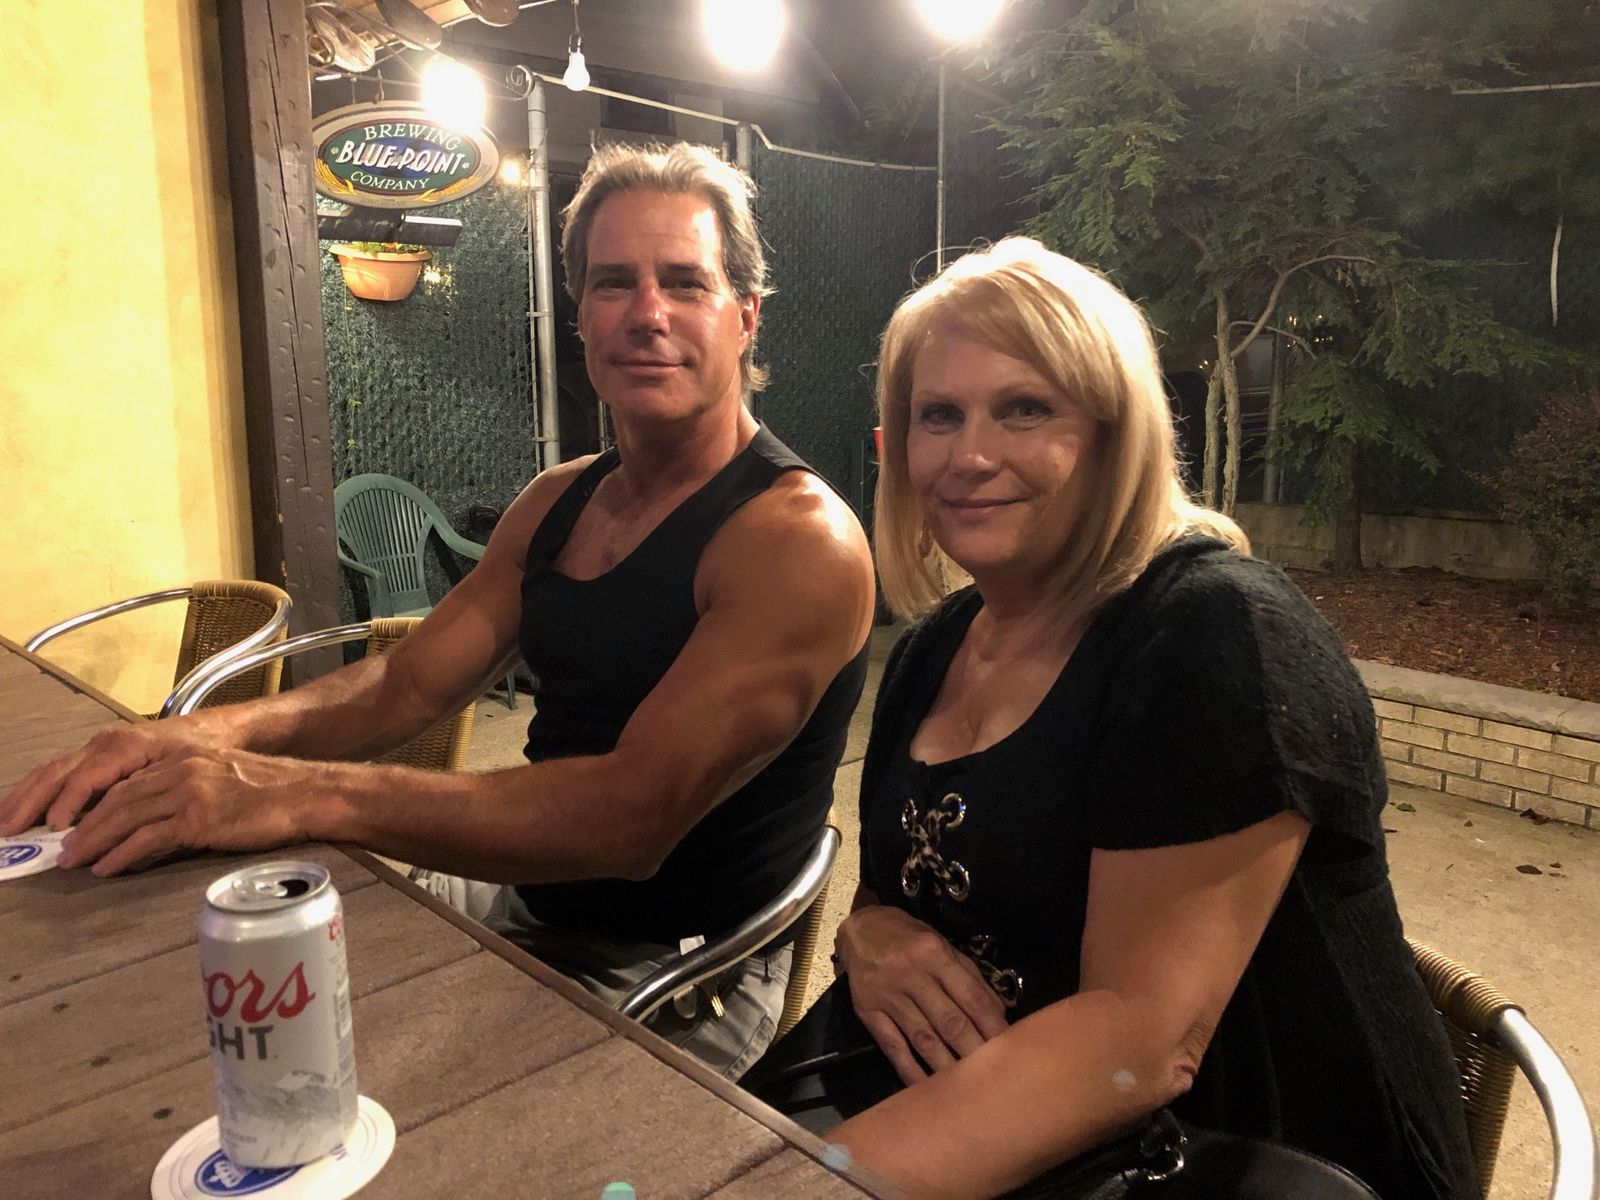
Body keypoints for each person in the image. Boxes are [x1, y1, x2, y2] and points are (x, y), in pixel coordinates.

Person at [0, 142, 876, 1080]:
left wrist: (295, 791)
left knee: (356, 1102)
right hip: (524, 900)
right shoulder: (559, 501)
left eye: (686, 282)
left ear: (745, 316)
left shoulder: (795, 541)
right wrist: (183, 740)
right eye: (614, 282)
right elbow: (406, 687)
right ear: (580, 315)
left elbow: (627, 819)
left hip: (679, 969)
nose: (647, 313)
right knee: (196, 1000)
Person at [745, 238, 1477, 1198]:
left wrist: (782, 1188)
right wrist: (868, 937)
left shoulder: (1213, 632)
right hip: (993, 1117)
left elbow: (1140, 1043)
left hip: (1247, 1154)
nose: (970, 456)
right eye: (938, 415)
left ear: (1115, 434)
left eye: (1025, 409)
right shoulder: (933, 650)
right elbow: (893, 894)